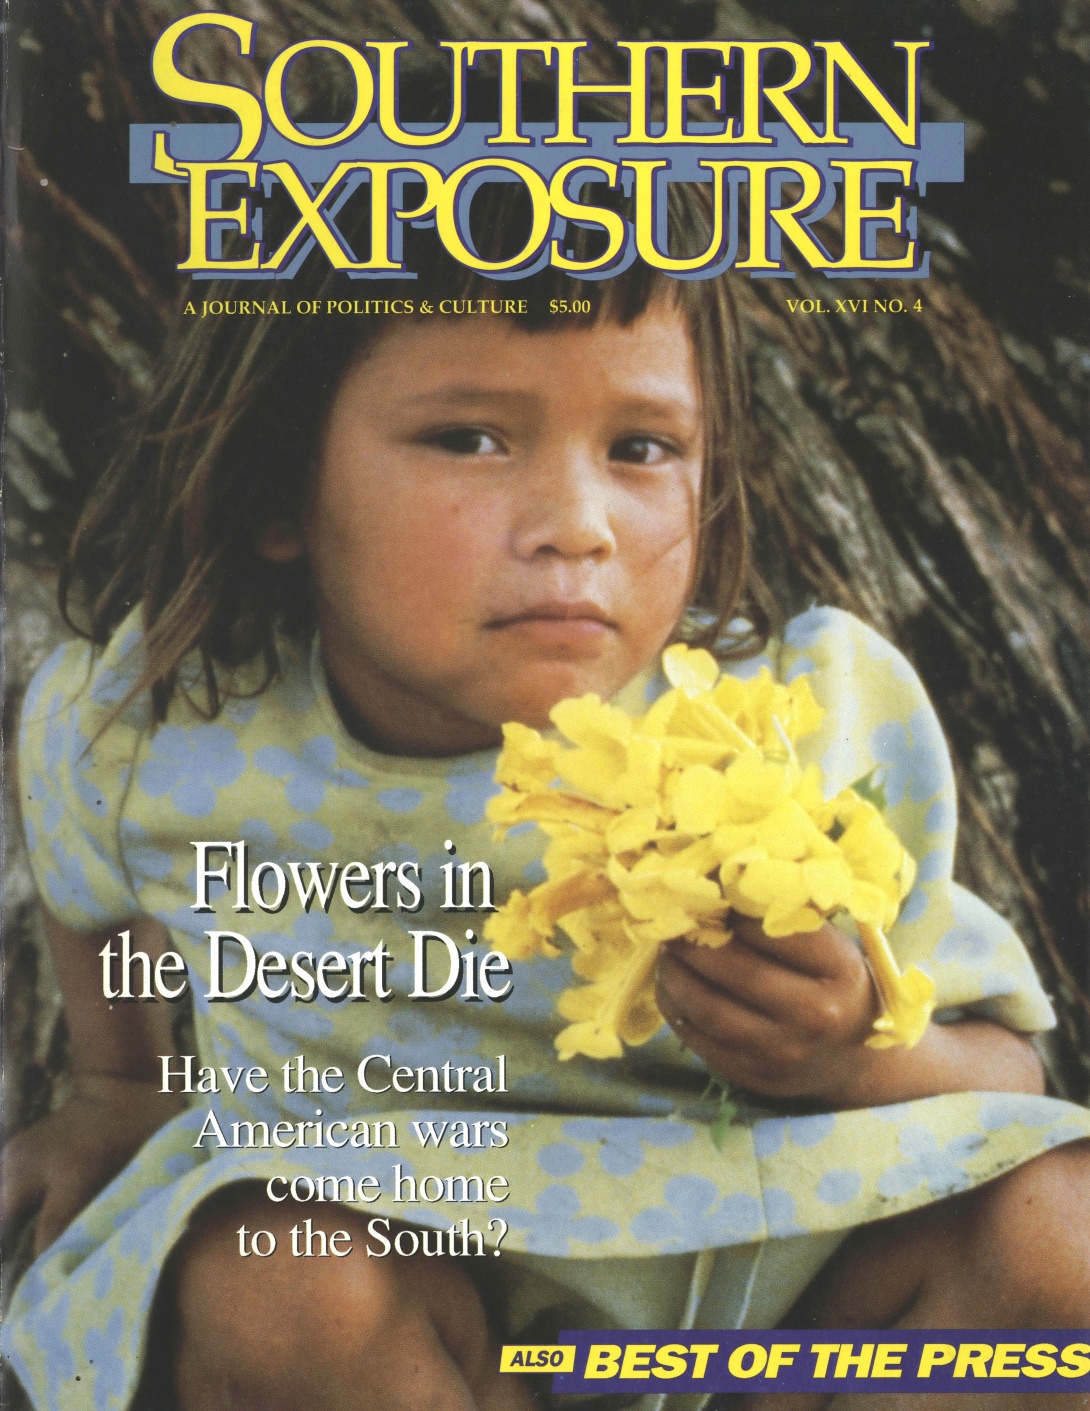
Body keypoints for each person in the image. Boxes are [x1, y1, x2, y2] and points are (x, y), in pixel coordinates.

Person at [2, 176, 1089, 1411]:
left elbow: (1013, 1081)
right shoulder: (160, 730)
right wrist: (120, 1088)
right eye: (469, 436)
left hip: (765, 1329)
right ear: (272, 485)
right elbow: (89, 886)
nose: (577, 526)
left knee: (1065, 1229)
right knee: (275, 1280)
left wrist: (847, 1055)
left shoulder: (789, 718)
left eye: (641, 448)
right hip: (424, 1342)